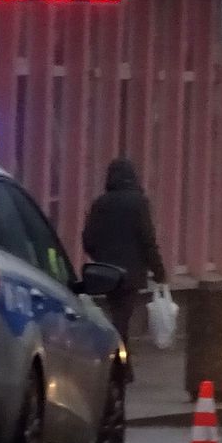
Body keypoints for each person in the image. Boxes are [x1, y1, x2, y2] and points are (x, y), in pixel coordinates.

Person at [83, 158, 167, 382]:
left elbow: (88, 239)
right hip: (131, 272)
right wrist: (158, 271)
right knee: (122, 318)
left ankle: (120, 366)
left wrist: (101, 258)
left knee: (117, 314)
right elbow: (147, 239)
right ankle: (118, 366)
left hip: (106, 272)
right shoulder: (139, 202)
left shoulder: (100, 203)